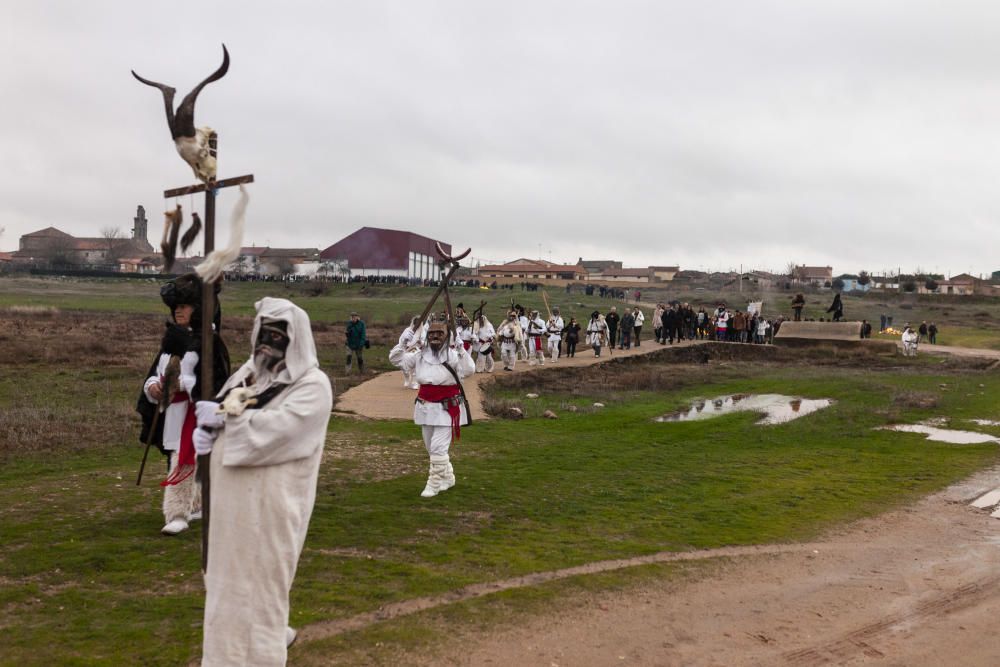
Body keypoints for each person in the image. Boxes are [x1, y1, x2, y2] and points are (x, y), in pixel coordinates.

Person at [193, 297, 333, 665]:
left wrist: (227, 424)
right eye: (264, 333)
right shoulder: (246, 375)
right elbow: (221, 415)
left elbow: (281, 432)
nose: (269, 343)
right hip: (228, 510)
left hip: (270, 514)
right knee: (224, 595)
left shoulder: (312, 386)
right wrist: (206, 439)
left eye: (278, 335)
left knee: (261, 598)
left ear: (296, 338)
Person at [137, 273, 230, 536]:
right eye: (175, 307)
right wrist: (154, 387)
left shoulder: (209, 342)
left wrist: (181, 385)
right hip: (173, 413)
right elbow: (158, 371)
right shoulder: (173, 340)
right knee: (186, 460)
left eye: (184, 307)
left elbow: (213, 381)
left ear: (197, 309)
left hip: (196, 413)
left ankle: (177, 514)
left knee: (185, 460)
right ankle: (197, 504)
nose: (178, 311)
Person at [389, 315, 474, 497]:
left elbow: (469, 370)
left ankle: (433, 484)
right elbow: (396, 360)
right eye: (432, 332)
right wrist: (404, 340)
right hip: (425, 407)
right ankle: (448, 477)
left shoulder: (453, 356)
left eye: (440, 332)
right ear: (427, 335)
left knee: (437, 448)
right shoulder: (420, 356)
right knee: (431, 448)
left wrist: (460, 347)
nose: (435, 336)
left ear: (447, 335)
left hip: (447, 408)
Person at [396, 317, 422, 388]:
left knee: (415, 367)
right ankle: (407, 378)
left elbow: (425, 341)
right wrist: (404, 342)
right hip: (406, 350)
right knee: (404, 367)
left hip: (417, 351)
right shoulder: (407, 330)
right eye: (415, 322)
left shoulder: (422, 332)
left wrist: (421, 342)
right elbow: (401, 339)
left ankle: (415, 383)